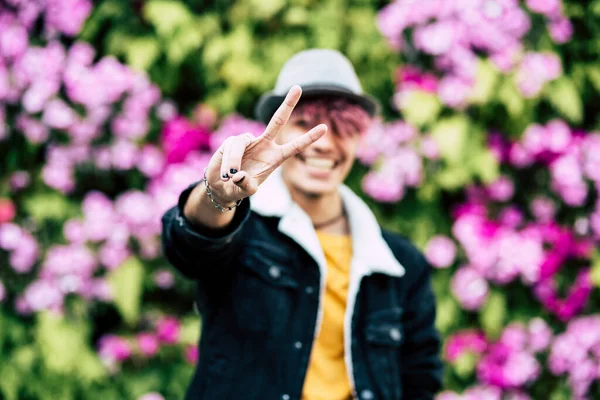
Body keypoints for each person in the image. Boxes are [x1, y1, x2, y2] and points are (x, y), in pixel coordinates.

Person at [161, 49, 443, 400]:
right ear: (277, 131)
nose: (322, 143)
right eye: (304, 124)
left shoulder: (399, 264)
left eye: (342, 127)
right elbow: (190, 244)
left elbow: (420, 379)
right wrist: (217, 194)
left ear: (361, 139)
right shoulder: (244, 229)